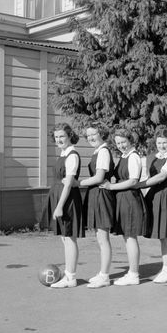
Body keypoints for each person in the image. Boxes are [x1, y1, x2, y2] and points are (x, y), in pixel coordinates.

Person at [134, 128, 167, 283]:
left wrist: (139, 185)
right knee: (162, 236)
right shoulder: (155, 157)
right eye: (159, 142)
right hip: (156, 196)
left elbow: (162, 176)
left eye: (165, 142)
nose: (162, 145)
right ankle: (165, 268)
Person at [99, 128, 148, 286]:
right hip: (123, 198)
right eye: (118, 143)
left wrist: (111, 187)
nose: (121, 145)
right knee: (127, 237)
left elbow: (133, 181)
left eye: (124, 142)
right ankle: (132, 272)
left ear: (130, 140)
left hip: (130, 199)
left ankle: (134, 274)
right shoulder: (124, 156)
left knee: (130, 236)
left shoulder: (133, 156)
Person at [39, 122, 83, 288]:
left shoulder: (72, 155)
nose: (59, 140)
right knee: (65, 238)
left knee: (69, 237)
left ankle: (71, 277)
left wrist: (59, 206)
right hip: (58, 196)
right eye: (56, 137)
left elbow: (69, 183)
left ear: (70, 136)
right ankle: (68, 273)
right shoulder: (63, 154)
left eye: (62, 136)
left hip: (68, 199)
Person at [73, 122, 115, 288]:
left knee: (103, 238)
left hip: (101, 195)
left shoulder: (103, 152)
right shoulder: (98, 152)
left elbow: (98, 178)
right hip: (96, 194)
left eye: (94, 134)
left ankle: (104, 276)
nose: (90, 137)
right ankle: (102, 273)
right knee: (99, 237)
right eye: (88, 135)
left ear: (102, 134)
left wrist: (79, 183)